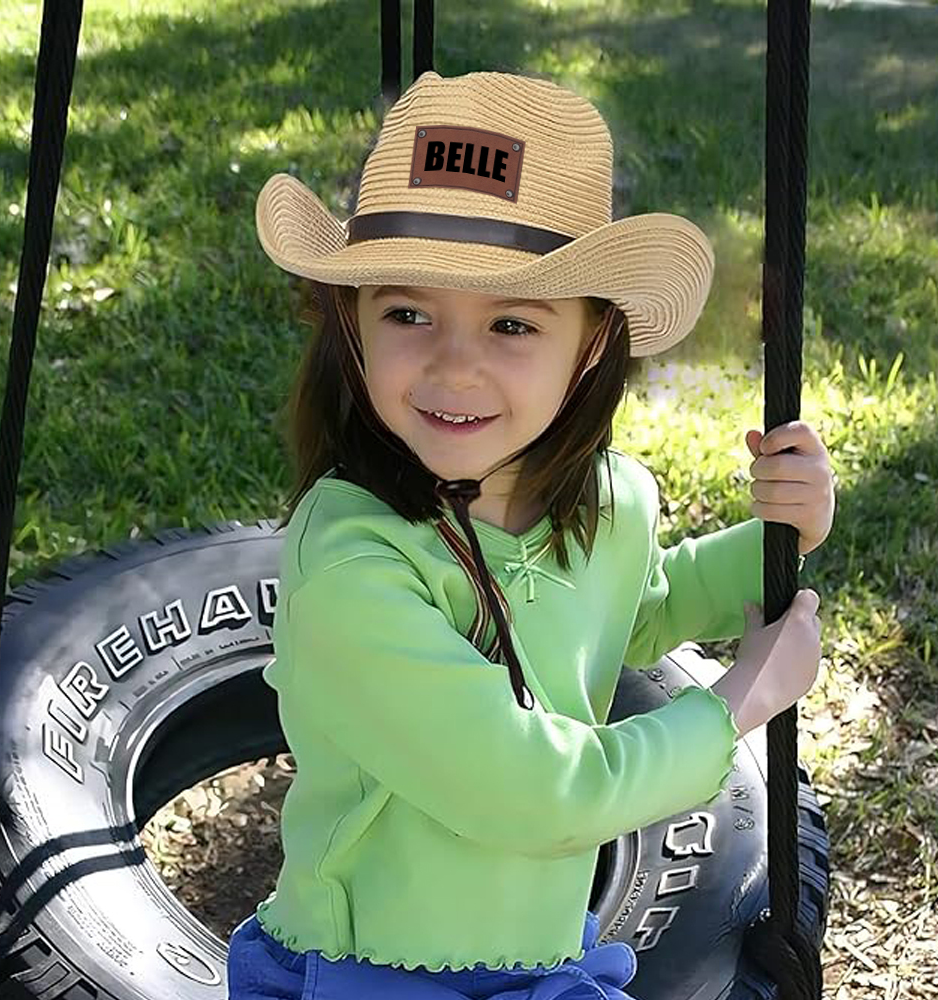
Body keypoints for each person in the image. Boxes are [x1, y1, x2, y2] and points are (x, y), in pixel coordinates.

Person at [226, 69, 828, 999]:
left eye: (511, 323)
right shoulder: (349, 560)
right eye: (407, 313)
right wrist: (734, 705)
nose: (453, 367)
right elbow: (528, 792)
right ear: (351, 323)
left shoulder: (606, 500)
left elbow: (634, 610)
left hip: (544, 963)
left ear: (591, 343)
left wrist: (782, 535)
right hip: (367, 976)